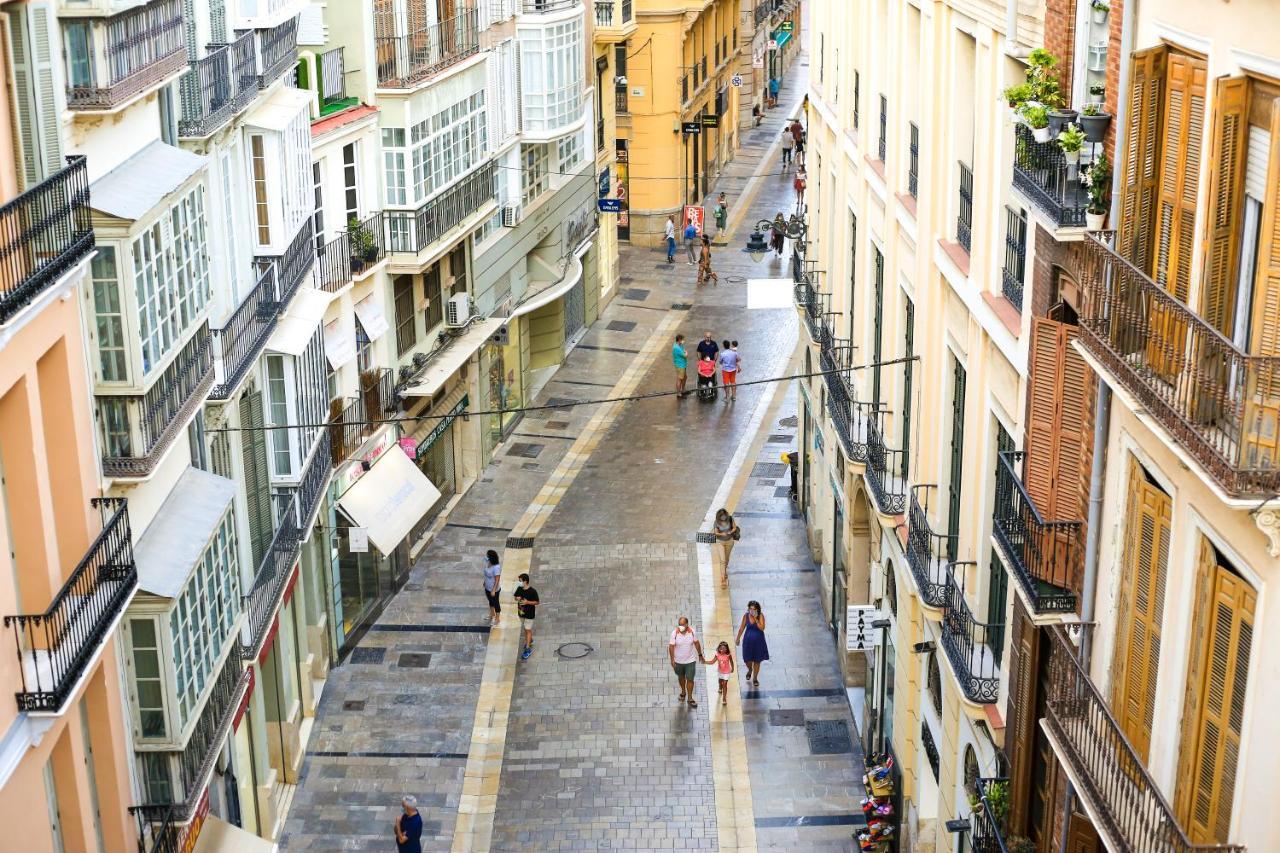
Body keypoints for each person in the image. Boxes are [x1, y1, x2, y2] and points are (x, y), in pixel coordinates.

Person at [668, 616, 706, 707]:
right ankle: (683, 691)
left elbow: (696, 643)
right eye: (679, 624)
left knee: (690, 679)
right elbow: (671, 647)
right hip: (678, 661)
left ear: (686, 624)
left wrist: (700, 655)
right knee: (681, 677)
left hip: (690, 661)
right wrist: (672, 659)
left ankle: (690, 698)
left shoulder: (692, 632)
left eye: (682, 624)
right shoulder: (674, 633)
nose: (680, 626)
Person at [735, 600, 770, 687]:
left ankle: (755, 678)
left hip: (759, 643)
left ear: (757, 610)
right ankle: (750, 669)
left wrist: (756, 619)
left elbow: (762, 628)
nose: (751, 611)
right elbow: (742, 628)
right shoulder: (746, 616)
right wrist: (738, 638)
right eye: (750, 609)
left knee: (757, 661)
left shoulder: (760, 616)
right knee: (747, 659)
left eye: (753, 609)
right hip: (748, 642)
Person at [712, 507, 740, 588]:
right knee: (722, 560)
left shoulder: (730, 519)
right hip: (720, 542)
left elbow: (735, 527)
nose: (723, 517)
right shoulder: (716, 522)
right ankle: (723, 579)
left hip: (729, 541)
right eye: (721, 516)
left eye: (724, 515)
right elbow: (715, 532)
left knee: (726, 559)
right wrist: (722, 534)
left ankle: (724, 572)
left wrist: (730, 532)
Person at [513, 573, 539, 660]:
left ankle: (527, 648)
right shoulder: (519, 589)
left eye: (520, 581)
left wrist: (528, 602)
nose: (519, 582)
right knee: (526, 628)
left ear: (525, 581)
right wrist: (517, 598)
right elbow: (515, 597)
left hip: (529, 614)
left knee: (527, 630)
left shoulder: (532, 591)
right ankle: (530, 640)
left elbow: (537, 602)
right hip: (521, 613)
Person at [704, 641, 736, 706]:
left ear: (726, 649)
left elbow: (731, 662)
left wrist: (732, 668)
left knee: (725, 684)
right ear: (719, 648)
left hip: (727, 672)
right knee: (720, 681)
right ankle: (720, 687)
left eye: (724, 648)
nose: (722, 650)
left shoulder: (728, 655)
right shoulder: (717, 654)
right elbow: (712, 662)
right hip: (720, 671)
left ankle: (724, 698)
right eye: (721, 648)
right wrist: (704, 662)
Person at [483, 549, 502, 624]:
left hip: (494, 589)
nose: (486, 557)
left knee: (496, 602)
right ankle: (492, 614)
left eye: (487, 556)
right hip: (487, 587)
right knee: (490, 601)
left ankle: (497, 618)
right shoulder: (488, 563)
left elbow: (497, 579)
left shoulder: (496, 567)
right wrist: (485, 582)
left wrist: (493, 590)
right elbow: (486, 574)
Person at [672, 333, 689, 398]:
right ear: (679, 340)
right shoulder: (676, 348)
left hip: (683, 364)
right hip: (680, 365)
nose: (683, 341)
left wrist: (685, 352)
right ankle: (679, 393)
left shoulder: (679, 345)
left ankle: (683, 390)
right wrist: (686, 353)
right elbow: (685, 355)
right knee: (680, 379)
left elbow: (683, 350)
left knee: (685, 377)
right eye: (682, 340)